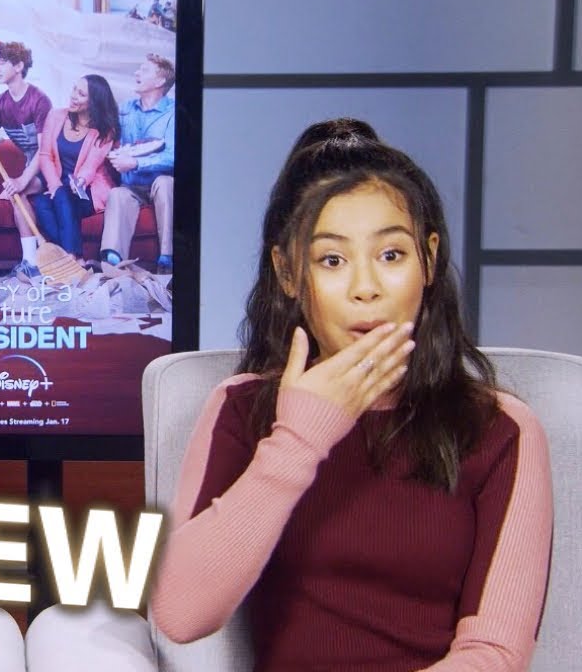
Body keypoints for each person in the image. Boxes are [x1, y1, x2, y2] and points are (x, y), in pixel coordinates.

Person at [149, 121, 553, 670]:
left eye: (391, 255)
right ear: (288, 273)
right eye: (332, 260)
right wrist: (299, 437)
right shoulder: (242, 409)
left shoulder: (498, 427)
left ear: (429, 260)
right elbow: (180, 614)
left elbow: (495, 654)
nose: (367, 288)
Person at [0, 41, 53, 278]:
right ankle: (30, 262)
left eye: (2, 64)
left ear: (19, 66)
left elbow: (45, 150)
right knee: (8, 198)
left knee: (16, 192)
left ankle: (31, 262)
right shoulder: (1, 103)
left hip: (51, 166)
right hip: (31, 166)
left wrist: (22, 180)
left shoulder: (39, 100)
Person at [99, 54, 175, 273]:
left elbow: (173, 155)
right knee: (117, 194)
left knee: (165, 183)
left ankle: (167, 258)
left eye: (144, 70)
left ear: (160, 81)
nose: (136, 73)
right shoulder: (125, 109)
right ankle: (112, 262)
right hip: (132, 186)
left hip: (159, 183)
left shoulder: (173, 112)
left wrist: (136, 163)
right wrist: (113, 154)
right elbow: (112, 142)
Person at [33, 74, 120, 258]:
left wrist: (79, 181)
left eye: (81, 94)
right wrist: (55, 186)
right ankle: (74, 258)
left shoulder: (105, 130)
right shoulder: (55, 116)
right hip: (59, 187)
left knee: (62, 197)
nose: (73, 96)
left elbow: (91, 166)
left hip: (86, 191)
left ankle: (70, 257)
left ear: (94, 102)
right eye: (74, 89)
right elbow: (45, 156)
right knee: (41, 203)